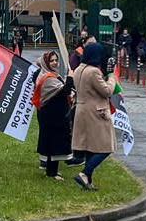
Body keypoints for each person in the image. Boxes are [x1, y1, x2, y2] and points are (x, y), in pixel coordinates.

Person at [71, 43, 118, 190]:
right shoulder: (93, 72)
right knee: (106, 146)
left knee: (91, 147)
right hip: (96, 112)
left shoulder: (79, 69)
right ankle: (85, 173)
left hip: (82, 109)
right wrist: (111, 77)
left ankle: (88, 181)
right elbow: (107, 91)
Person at [33, 51, 74, 181]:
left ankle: (52, 170)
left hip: (55, 115)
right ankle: (52, 172)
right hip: (52, 116)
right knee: (54, 143)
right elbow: (64, 91)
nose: (55, 63)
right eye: (52, 61)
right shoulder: (48, 78)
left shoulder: (50, 75)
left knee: (53, 142)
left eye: (56, 60)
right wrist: (70, 77)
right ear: (46, 62)